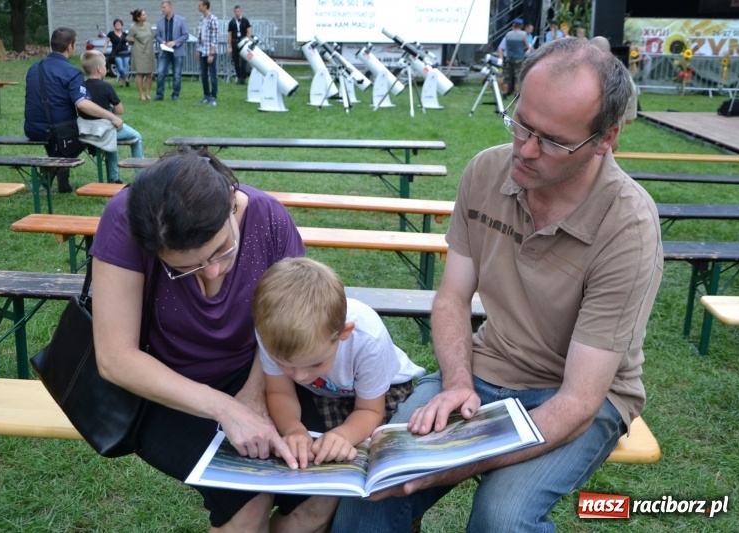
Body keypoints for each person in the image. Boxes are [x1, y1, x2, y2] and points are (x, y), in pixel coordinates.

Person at [332, 37, 663, 532]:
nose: (525, 150)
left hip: (579, 395)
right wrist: (459, 382)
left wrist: (456, 461)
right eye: (521, 123)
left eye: (551, 140)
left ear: (605, 138)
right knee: (373, 485)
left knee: (502, 518)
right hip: (487, 366)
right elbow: (452, 297)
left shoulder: (628, 228)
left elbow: (577, 402)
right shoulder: (487, 170)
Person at [91, 149, 341, 532]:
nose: (211, 273)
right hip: (165, 386)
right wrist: (225, 409)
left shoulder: (267, 217)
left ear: (229, 201)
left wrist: (255, 393)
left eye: (221, 251)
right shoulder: (126, 219)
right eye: (184, 268)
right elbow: (114, 357)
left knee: (323, 490)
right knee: (248, 503)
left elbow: (290, 324)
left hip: (261, 372)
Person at [252, 257, 425, 531]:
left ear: (343, 333)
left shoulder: (368, 340)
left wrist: (344, 435)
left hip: (384, 393)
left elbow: (369, 410)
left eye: (314, 363)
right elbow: (280, 391)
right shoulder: (272, 333)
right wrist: (293, 430)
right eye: (286, 364)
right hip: (328, 392)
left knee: (371, 468)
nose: (299, 375)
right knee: (323, 468)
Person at [24, 27, 123, 193]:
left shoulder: (34, 68)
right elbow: (82, 104)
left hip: (32, 128)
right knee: (87, 131)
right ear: (70, 46)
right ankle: (54, 166)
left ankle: (61, 175)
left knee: (64, 130)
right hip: (57, 130)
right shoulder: (71, 72)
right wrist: (111, 117)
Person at [79, 50, 144, 184]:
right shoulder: (106, 86)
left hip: (85, 130)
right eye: (105, 65)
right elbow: (119, 110)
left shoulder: (81, 86)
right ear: (99, 68)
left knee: (112, 141)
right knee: (136, 136)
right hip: (104, 129)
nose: (106, 68)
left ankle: (114, 178)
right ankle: (140, 175)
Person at [154, 0, 189, 101]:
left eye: (164, 7)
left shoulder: (181, 20)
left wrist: (175, 42)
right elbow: (157, 35)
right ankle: (159, 94)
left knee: (177, 74)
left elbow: (185, 35)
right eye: (162, 8)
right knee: (160, 72)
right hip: (164, 51)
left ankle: (175, 95)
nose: (162, 10)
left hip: (177, 51)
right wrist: (162, 41)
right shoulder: (160, 21)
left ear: (170, 7)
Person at [127, 8, 155, 100]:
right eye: (143, 15)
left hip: (149, 52)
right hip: (139, 52)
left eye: (145, 14)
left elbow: (151, 36)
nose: (146, 16)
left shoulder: (148, 25)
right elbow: (129, 39)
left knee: (149, 74)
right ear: (138, 18)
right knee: (140, 73)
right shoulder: (133, 27)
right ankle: (141, 94)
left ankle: (148, 93)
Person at [497, 18, 530, 97]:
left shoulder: (508, 34)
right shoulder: (523, 34)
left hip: (509, 58)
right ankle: (516, 94)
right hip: (519, 58)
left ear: (513, 25)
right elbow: (527, 46)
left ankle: (504, 93)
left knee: (506, 77)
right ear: (521, 25)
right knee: (517, 77)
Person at [196, 0, 219, 106]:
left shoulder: (213, 19)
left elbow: (214, 38)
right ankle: (206, 95)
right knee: (204, 75)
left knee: (213, 75)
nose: (198, 7)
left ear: (205, 6)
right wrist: (198, 50)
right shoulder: (202, 19)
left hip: (210, 52)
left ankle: (213, 97)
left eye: (200, 5)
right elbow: (200, 36)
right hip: (202, 51)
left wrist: (211, 53)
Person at [227, 4, 252, 84]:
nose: (236, 13)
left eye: (238, 11)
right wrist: (230, 46)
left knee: (244, 60)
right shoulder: (232, 22)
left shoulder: (245, 20)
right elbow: (230, 34)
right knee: (236, 60)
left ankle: (243, 77)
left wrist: (248, 40)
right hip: (235, 42)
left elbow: (249, 31)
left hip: (243, 42)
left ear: (240, 11)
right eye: (235, 11)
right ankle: (238, 76)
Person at [103, 18, 131, 87]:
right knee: (120, 68)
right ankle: (126, 79)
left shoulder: (125, 34)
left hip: (125, 53)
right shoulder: (111, 34)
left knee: (125, 67)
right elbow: (106, 42)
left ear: (122, 25)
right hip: (116, 54)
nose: (118, 25)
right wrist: (104, 50)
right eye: (116, 24)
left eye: (119, 24)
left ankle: (122, 81)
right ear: (114, 25)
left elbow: (129, 42)